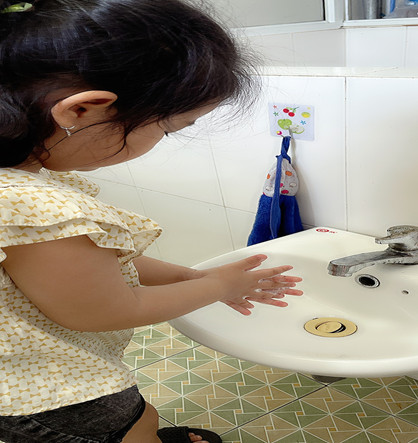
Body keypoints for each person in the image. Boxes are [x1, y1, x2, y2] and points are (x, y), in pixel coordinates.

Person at [0, 0, 303, 441]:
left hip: (23, 368)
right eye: (168, 128)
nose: (162, 140)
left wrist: (188, 277)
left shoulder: (17, 183)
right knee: (133, 425)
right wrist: (219, 287)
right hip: (48, 390)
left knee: (142, 420)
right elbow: (107, 309)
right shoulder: (36, 207)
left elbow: (95, 264)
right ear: (82, 110)